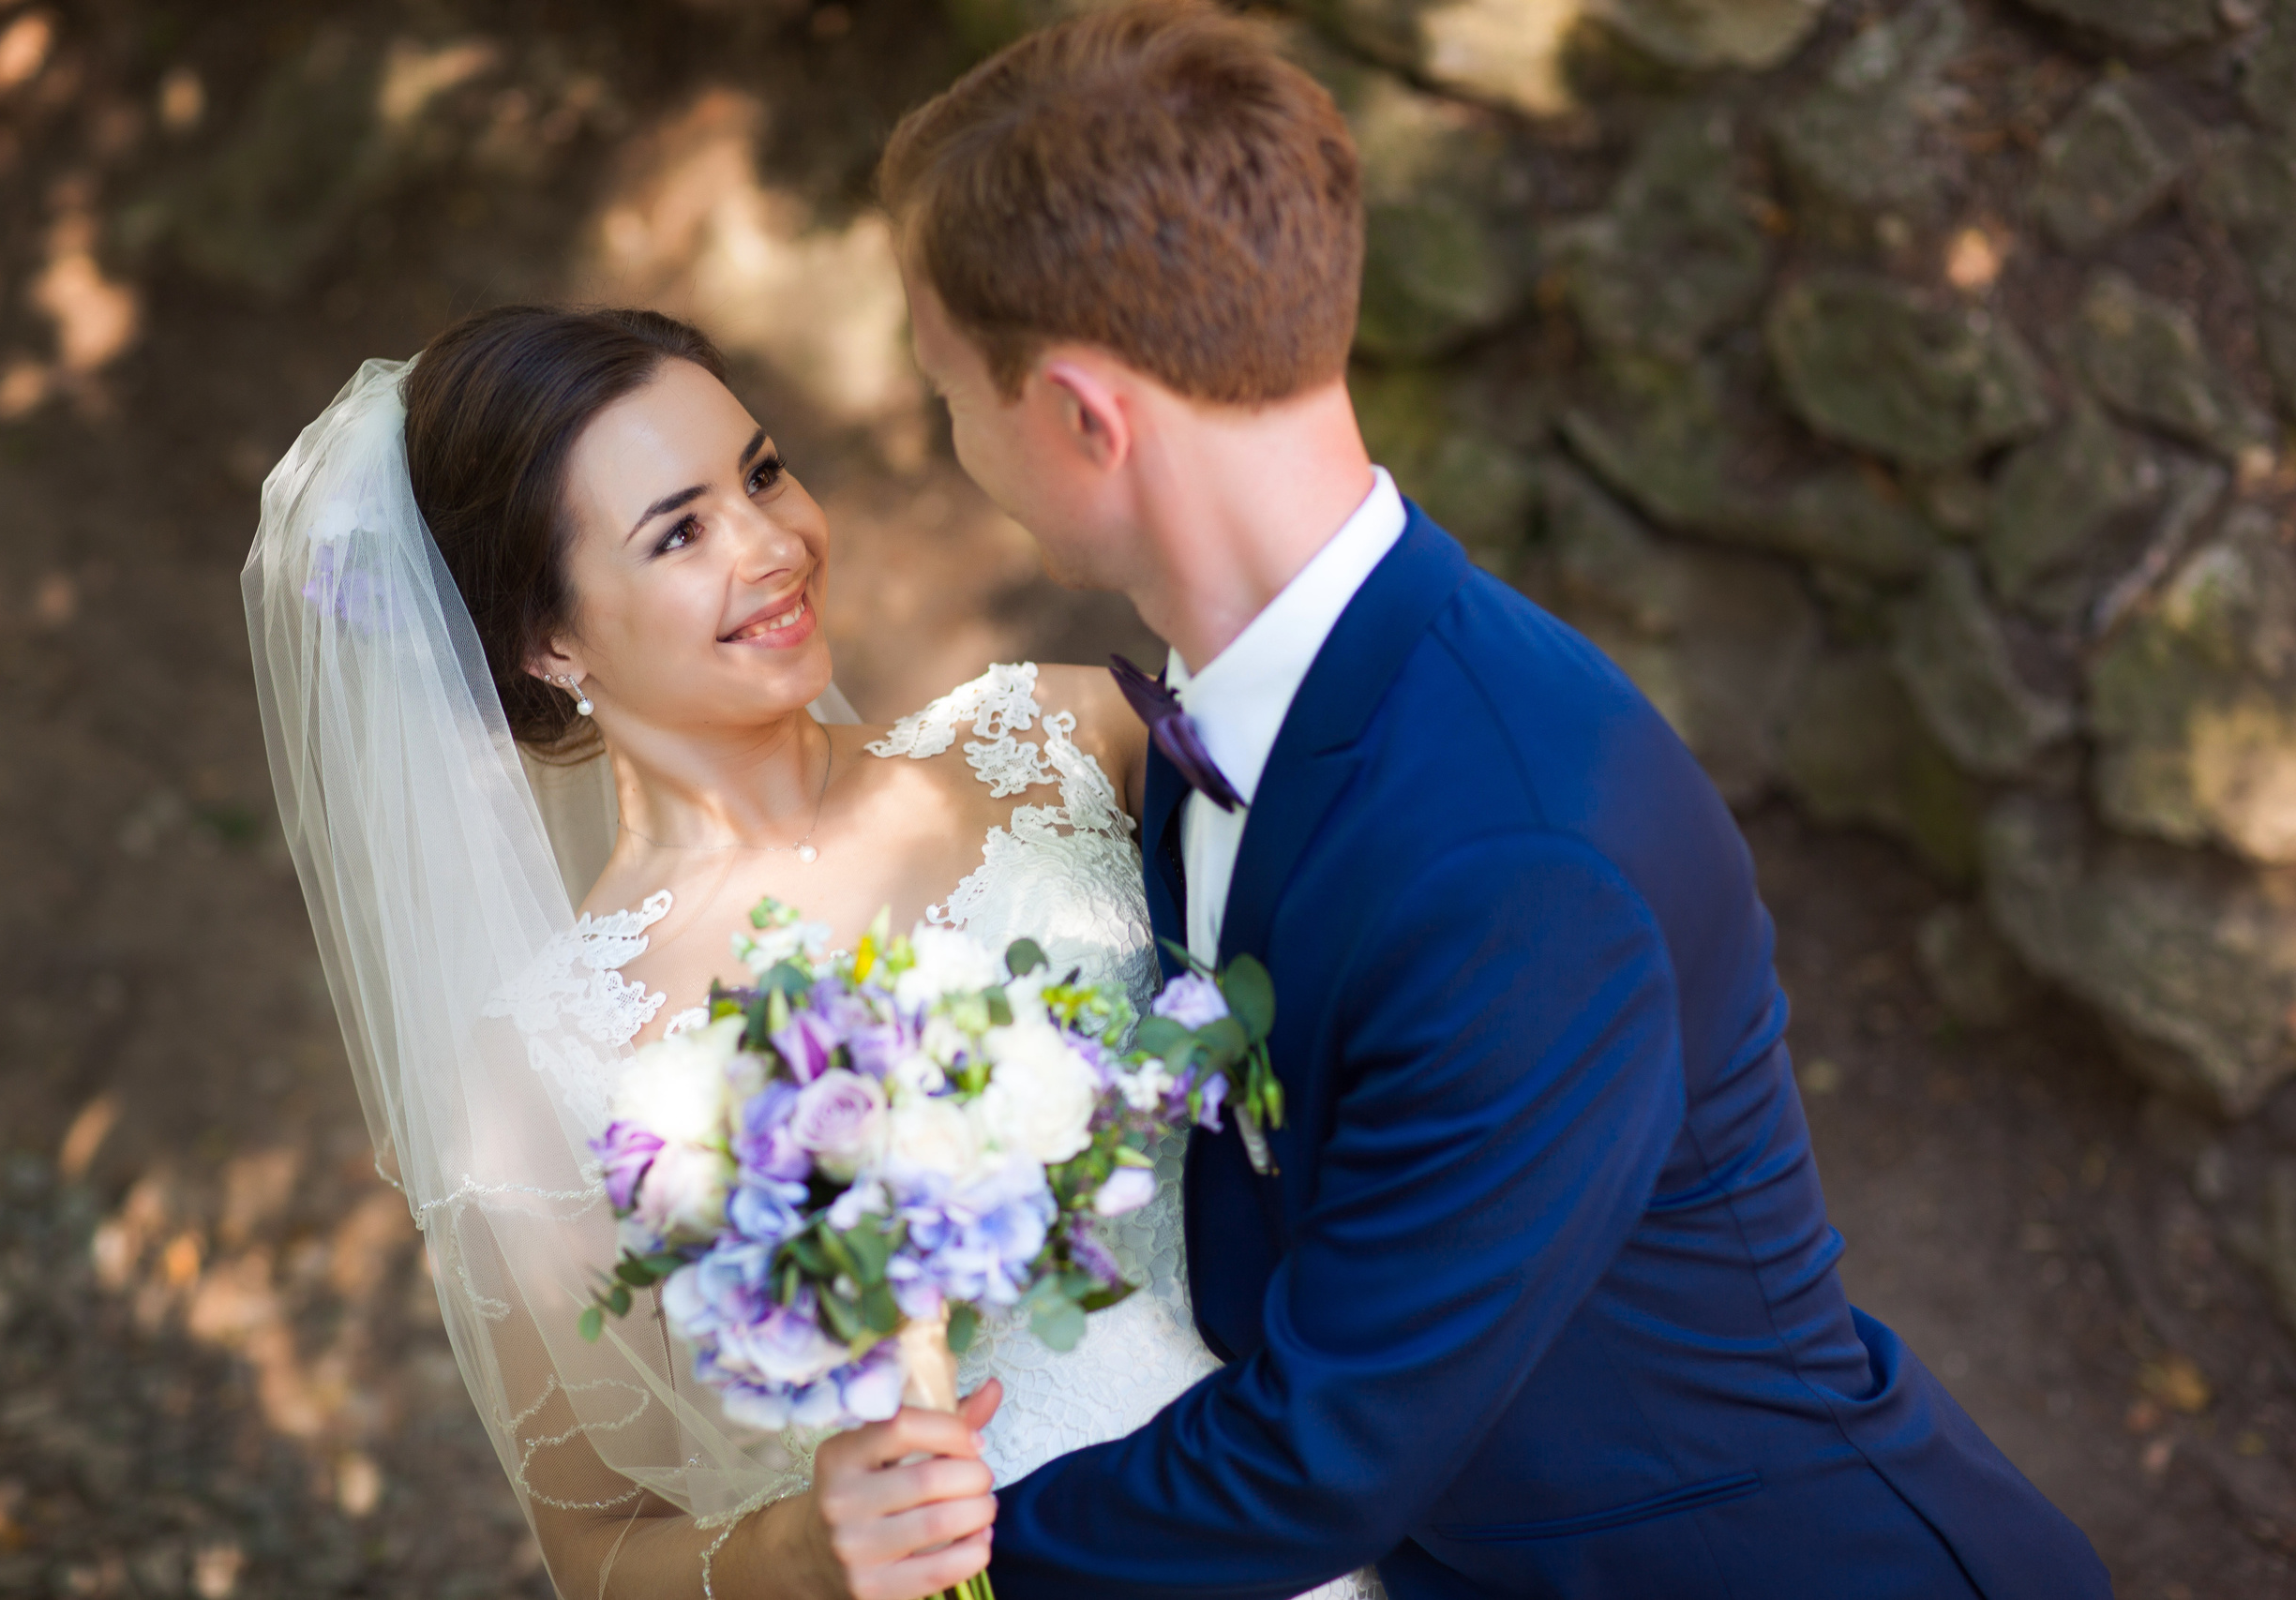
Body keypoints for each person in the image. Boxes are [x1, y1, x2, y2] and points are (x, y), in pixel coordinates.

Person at [875, 5, 2114, 1597]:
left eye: (948, 394)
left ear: (1080, 416)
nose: (946, 441)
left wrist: (929, 1573)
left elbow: (1324, 1454)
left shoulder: (1516, 857)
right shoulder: (1236, 713)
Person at [243, 305, 1378, 1599]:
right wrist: (799, 1553)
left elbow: (1362, 986)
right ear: (549, 645)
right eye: (680, 531)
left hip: (1310, 1500)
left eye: (763, 473)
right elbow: (597, 1545)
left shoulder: (1066, 735)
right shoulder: (541, 1062)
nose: (774, 544)